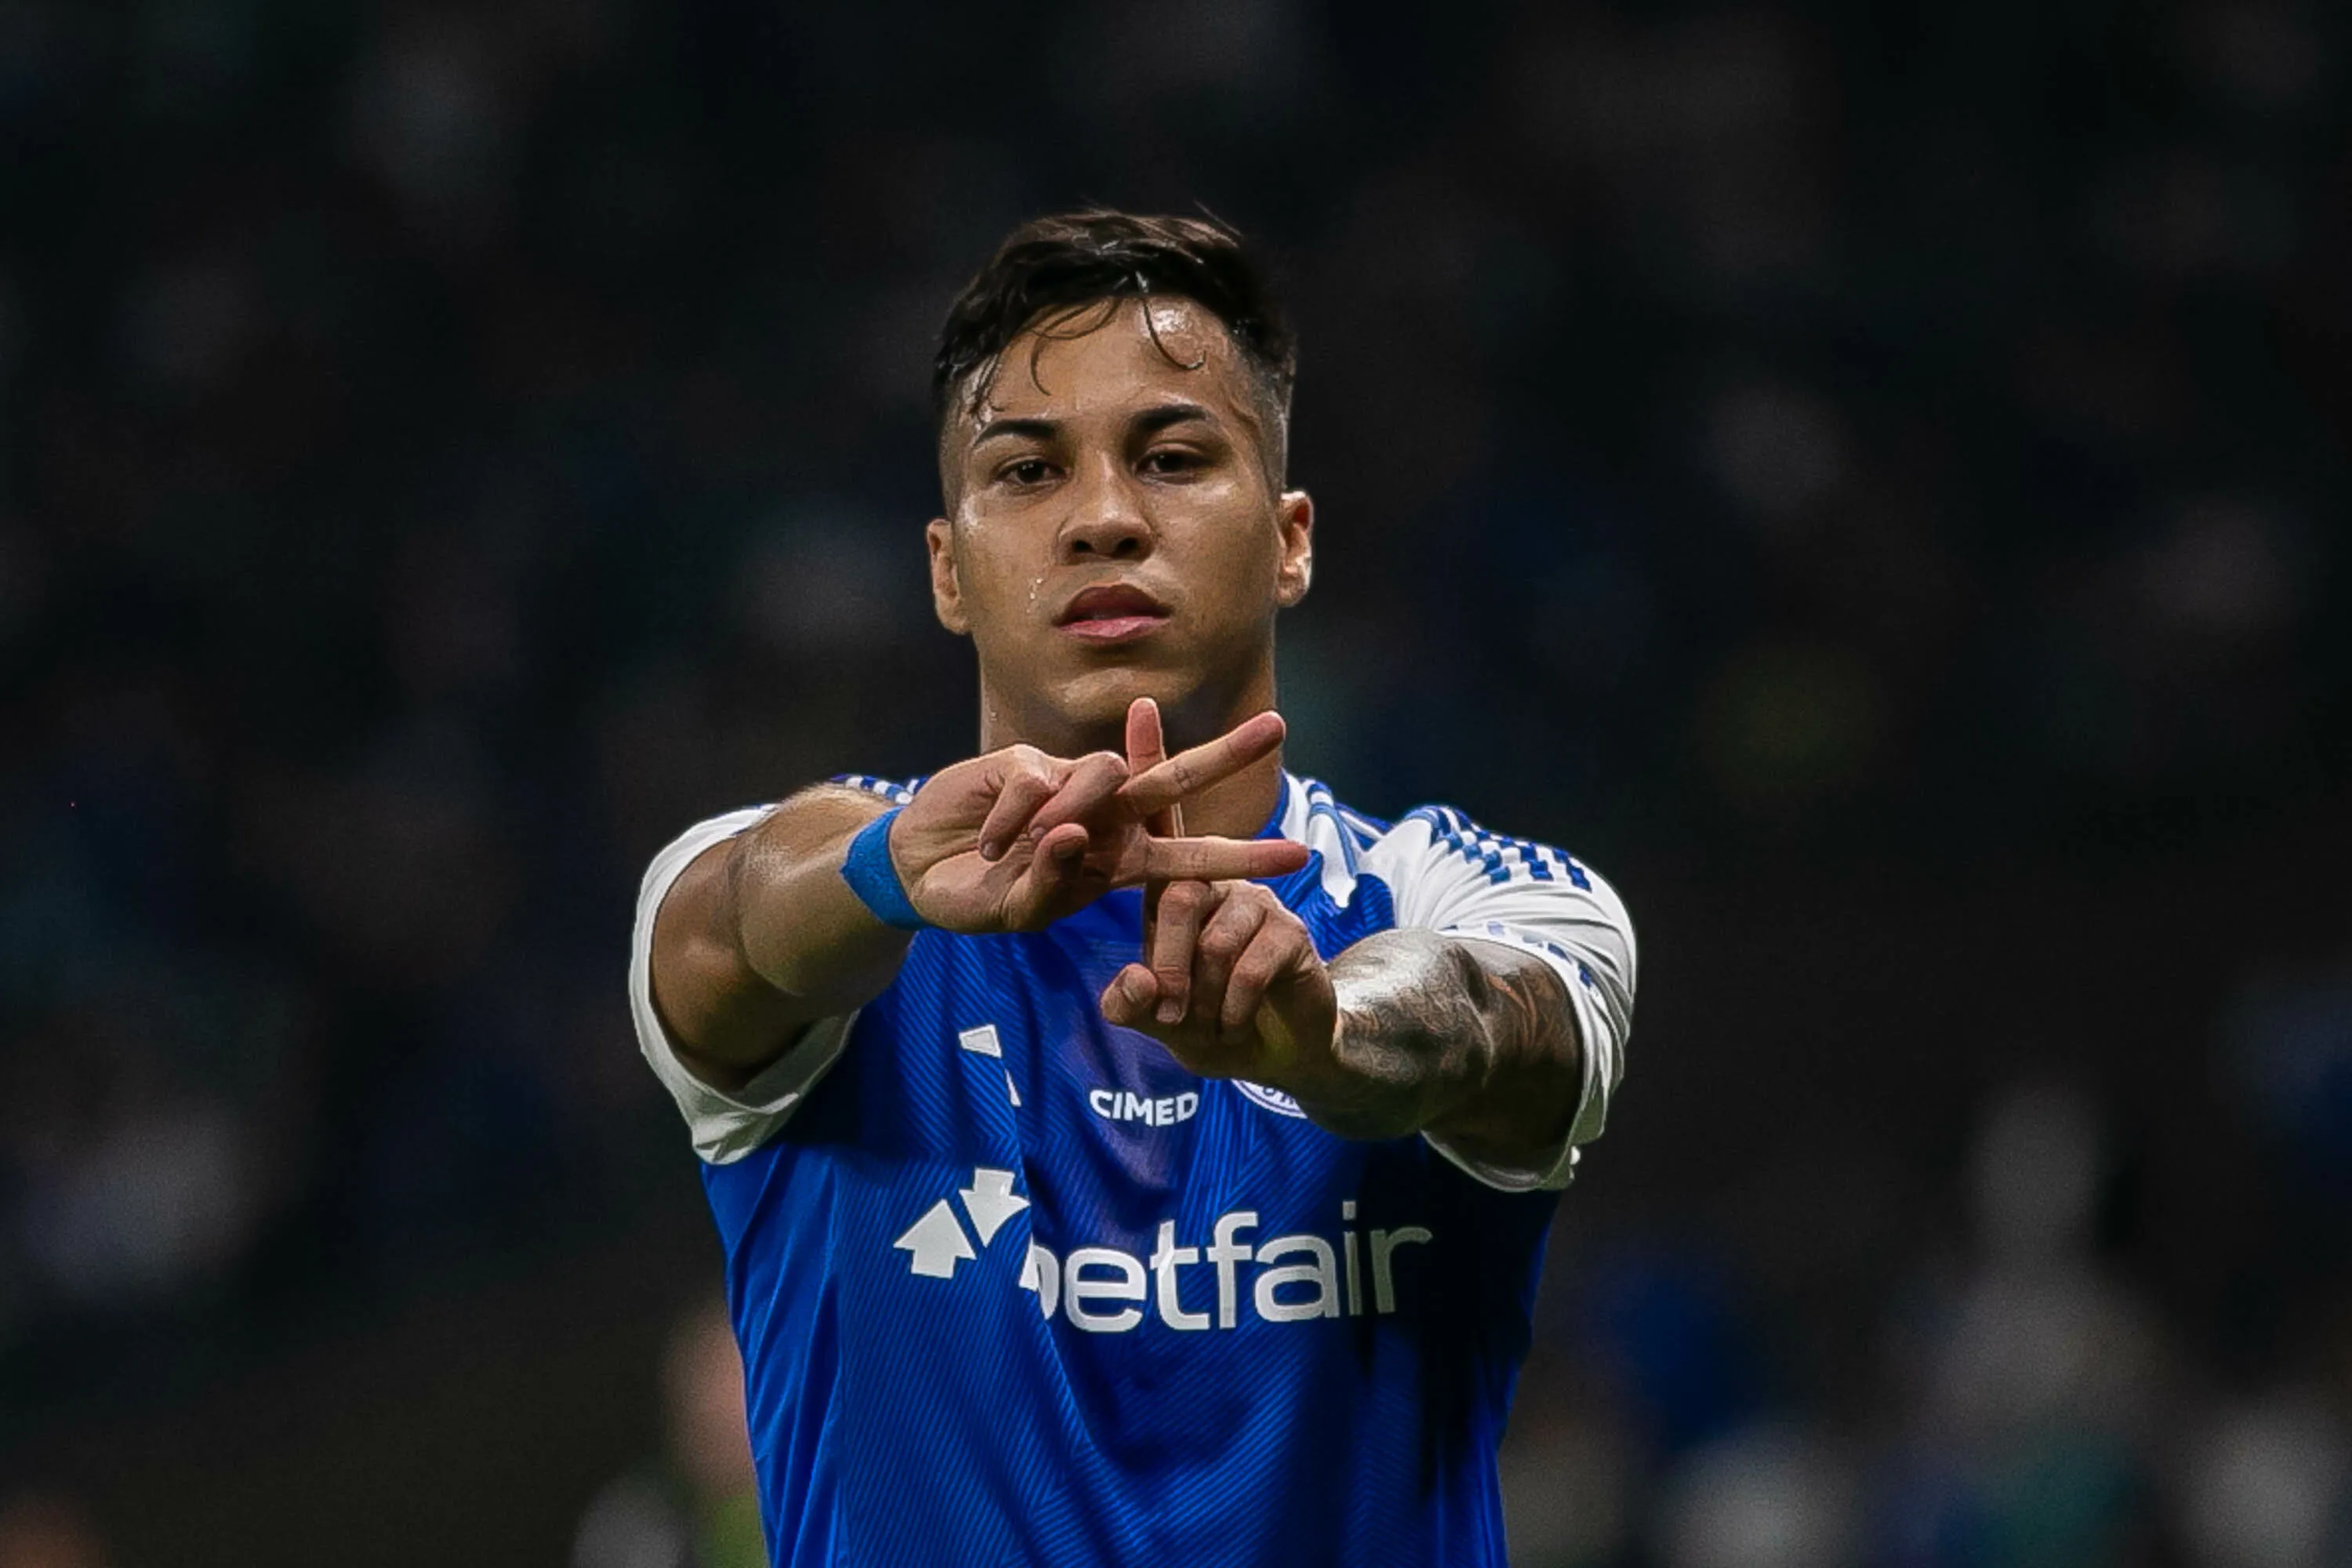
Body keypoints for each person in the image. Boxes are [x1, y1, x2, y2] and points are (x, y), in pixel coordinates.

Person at [630, 210, 1639, 1566]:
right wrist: (883, 870)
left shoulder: (1459, 891)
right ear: (946, 568)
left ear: (1290, 540)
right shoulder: (838, 900)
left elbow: (1486, 1016)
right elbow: (732, 921)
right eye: (1028, 471)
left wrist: (1328, 1034)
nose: (1104, 516)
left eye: (1171, 457)